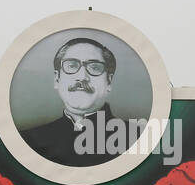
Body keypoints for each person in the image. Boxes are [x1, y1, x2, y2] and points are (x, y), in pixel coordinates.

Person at [19, 37, 121, 166]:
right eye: (72, 65)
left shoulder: (138, 138)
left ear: (109, 81)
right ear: (57, 79)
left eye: (94, 67)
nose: (82, 77)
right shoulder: (28, 141)